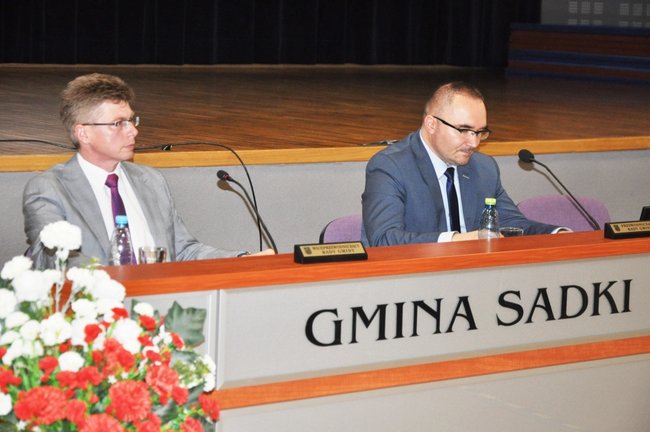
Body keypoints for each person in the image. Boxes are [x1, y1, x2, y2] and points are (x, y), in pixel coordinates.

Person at [23, 73, 273, 268]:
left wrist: (242, 260)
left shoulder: (151, 181)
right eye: (118, 123)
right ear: (83, 133)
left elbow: (183, 251)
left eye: (132, 120)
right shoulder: (50, 188)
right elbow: (53, 261)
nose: (133, 131)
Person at [362, 81, 563, 246]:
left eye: (480, 132)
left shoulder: (484, 168)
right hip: (414, 278)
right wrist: (457, 240)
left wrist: (559, 234)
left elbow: (512, 225)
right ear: (431, 124)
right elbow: (384, 239)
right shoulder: (390, 166)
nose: (474, 143)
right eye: (464, 130)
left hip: (474, 276)